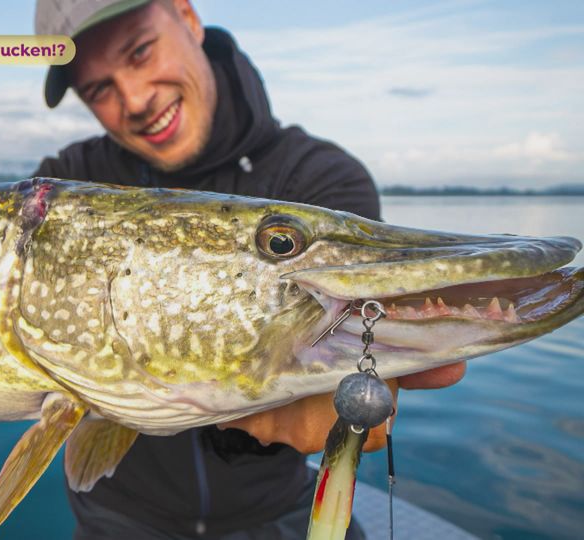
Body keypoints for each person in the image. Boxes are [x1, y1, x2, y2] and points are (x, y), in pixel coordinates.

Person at [32, 1, 467, 538]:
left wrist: (351, 400)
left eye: (141, 51)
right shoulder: (59, 191)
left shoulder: (319, 178)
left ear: (186, 17)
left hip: (275, 511)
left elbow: (355, 344)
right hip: (117, 518)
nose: (136, 99)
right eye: (98, 88)